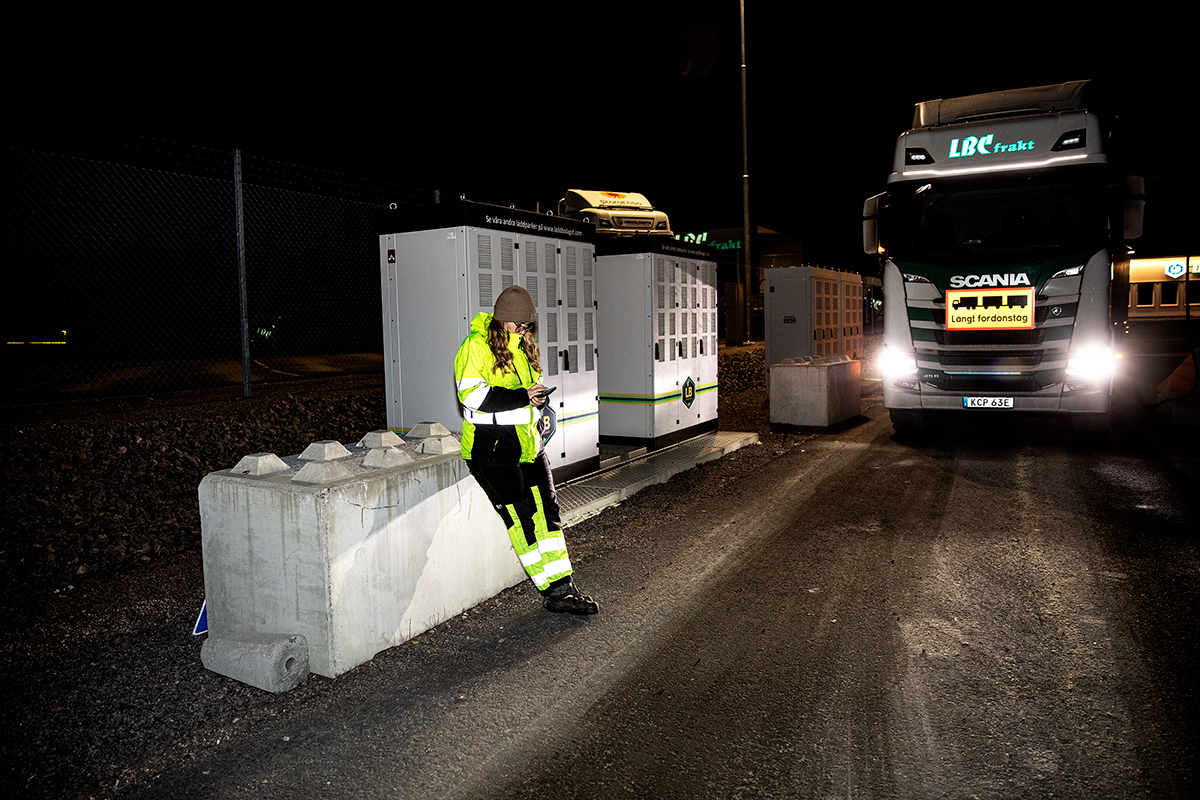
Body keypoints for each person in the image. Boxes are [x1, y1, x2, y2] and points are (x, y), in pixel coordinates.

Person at [454, 284, 600, 615]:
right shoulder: (475, 348)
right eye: (518, 325)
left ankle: (564, 586)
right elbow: (474, 397)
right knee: (524, 521)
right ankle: (555, 592)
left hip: (528, 445)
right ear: (501, 319)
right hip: (492, 451)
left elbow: (525, 393)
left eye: (526, 325)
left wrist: (537, 396)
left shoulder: (520, 347)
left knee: (548, 515)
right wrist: (524, 395)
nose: (523, 330)